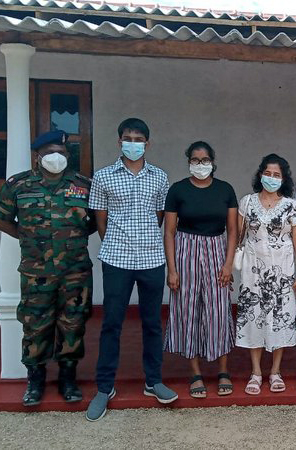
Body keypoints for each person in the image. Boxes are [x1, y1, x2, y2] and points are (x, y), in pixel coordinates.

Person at [86, 118, 177, 422]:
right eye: (128, 138)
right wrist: (118, 242)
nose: (133, 144)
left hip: (151, 259)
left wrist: (143, 240)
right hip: (117, 259)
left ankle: (154, 381)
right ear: (119, 141)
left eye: (139, 139)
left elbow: (160, 217)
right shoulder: (103, 176)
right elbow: (101, 220)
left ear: (147, 143)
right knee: (112, 323)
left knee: (152, 323)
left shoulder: (159, 177)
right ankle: (104, 388)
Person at [0, 130, 95, 406]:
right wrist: (27, 236)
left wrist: (72, 237)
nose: (56, 157)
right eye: (50, 152)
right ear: (37, 156)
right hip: (36, 272)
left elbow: (95, 221)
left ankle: (68, 378)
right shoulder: (18, 185)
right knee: (35, 325)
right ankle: (35, 380)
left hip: (74, 271)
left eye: (62, 153)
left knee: (73, 324)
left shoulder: (83, 185)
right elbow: (3, 218)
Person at [163, 141, 238, 398]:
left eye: (205, 160)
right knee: (188, 309)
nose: (200, 164)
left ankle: (223, 370)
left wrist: (228, 264)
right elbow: (169, 232)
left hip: (217, 250)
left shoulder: (225, 189)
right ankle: (195, 372)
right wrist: (172, 269)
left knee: (219, 310)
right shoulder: (178, 190)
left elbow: (233, 231)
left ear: (212, 162)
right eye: (195, 160)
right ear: (189, 162)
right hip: (185, 250)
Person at [236, 153, 296, 395]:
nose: (272, 178)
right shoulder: (246, 202)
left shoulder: (292, 206)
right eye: (268, 173)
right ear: (260, 175)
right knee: (254, 317)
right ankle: (256, 372)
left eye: (277, 175)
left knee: (280, 318)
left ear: (283, 179)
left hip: (282, 273)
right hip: (253, 272)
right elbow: (237, 236)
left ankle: (275, 371)